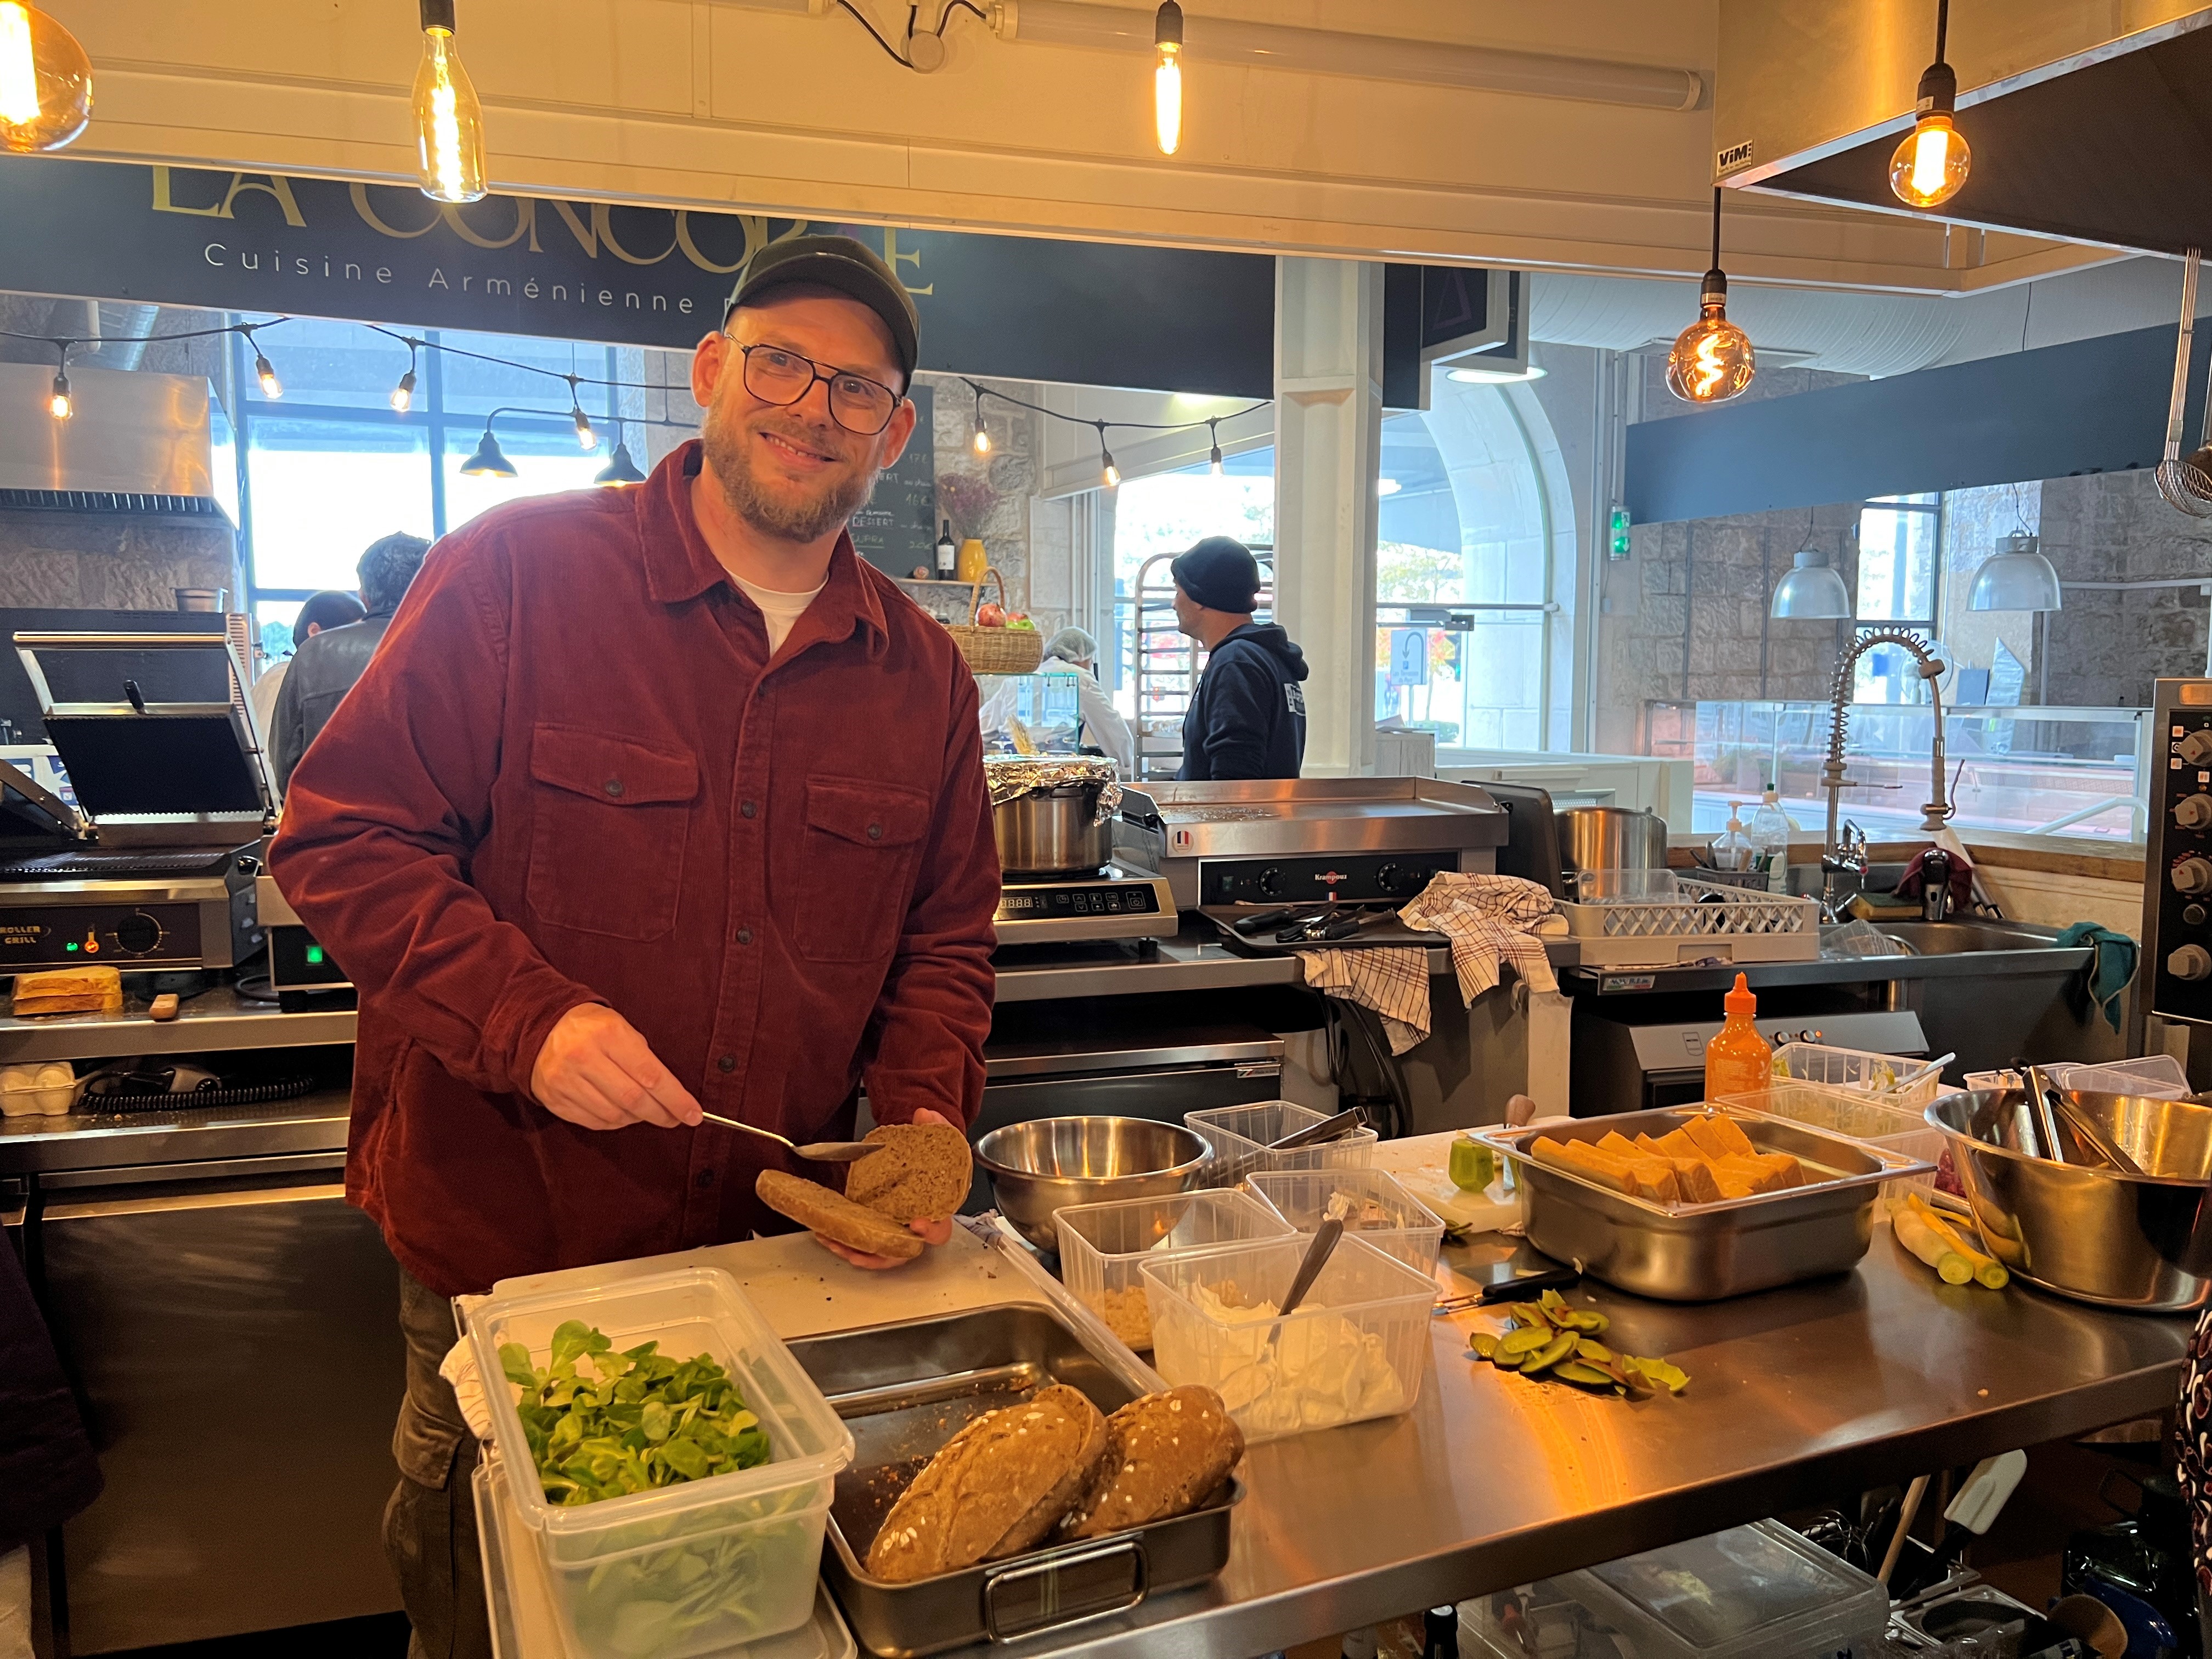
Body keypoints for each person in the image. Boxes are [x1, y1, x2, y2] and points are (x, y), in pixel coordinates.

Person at [268, 234, 997, 1659]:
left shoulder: (922, 678)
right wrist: (530, 1020)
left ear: (894, 430)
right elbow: (341, 841)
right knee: (485, 1615)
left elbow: (943, 945)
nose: (812, 406)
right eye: (781, 361)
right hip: (507, 1266)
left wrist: (920, 1124)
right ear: (714, 372)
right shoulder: (516, 576)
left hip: (763, 1273)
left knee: (722, 1620)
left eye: (858, 388)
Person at [269, 534, 430, 793]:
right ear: (432, 583)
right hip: (432, 832)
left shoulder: (312, 656)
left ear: (364, 597)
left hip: (331, 829)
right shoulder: (463, 651)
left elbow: (286, 768)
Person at [1171, 535, 1309, 780]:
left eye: (1177, 591)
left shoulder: (1236, 663)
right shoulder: (1269, 659)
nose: (1174, 604)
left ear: (1199, 597)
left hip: (1231, 819)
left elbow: (1234, 783)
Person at [250, 589, 364, 746]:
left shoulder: (277, 674)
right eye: (352, 638)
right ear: (316, 633)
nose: (357, 649)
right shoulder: (289, 682)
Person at [1042, 625, 1137, 776]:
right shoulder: (1080, 679)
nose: (1090, 665)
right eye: (1090, 659)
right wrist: (1125, 769)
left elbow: (989, 725)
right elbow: (1114, 731)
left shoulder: (1030, 674)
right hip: (1052, 776)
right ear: (1080, 656)